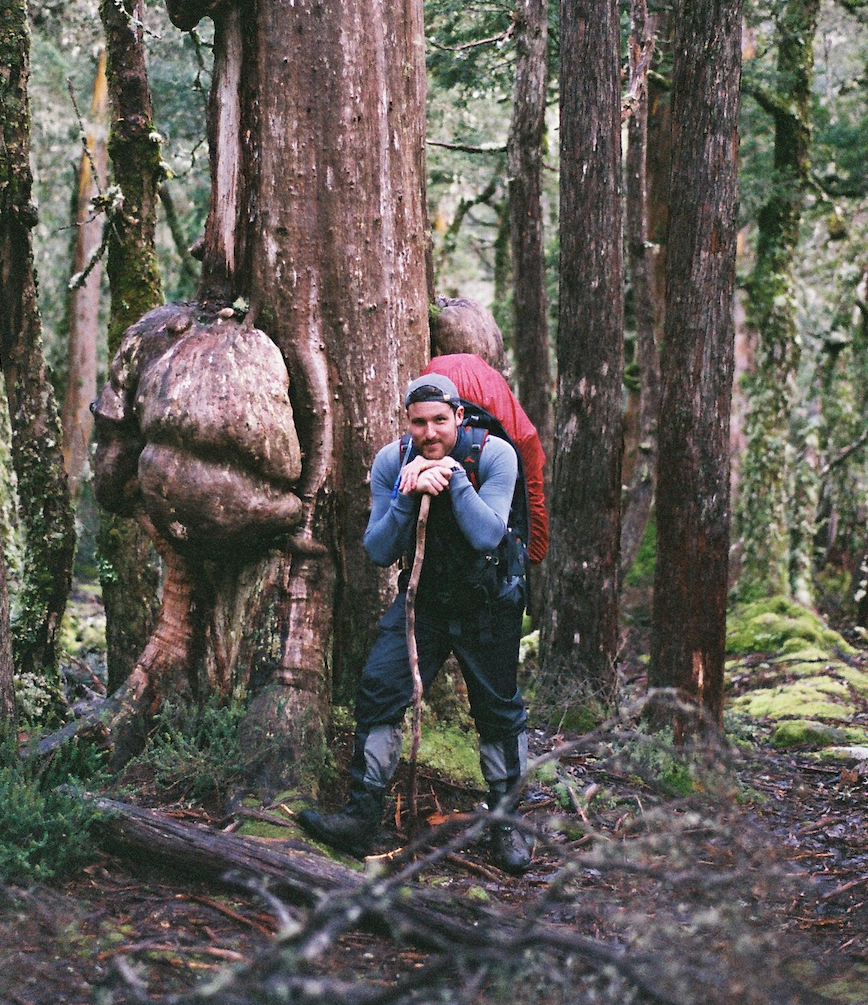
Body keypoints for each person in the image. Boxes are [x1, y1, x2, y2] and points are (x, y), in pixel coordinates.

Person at [298, 371, 532, 874]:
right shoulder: (392, 461)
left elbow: (488, 535)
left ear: (459, 417)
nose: (430, 433)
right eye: (419, 423)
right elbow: (379, 550)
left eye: (440, 422)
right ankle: (362, 814)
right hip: (422, 601)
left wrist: (454, 479)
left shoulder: (495, 454)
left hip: (488, 603)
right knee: (379, 688)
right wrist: (408, 493)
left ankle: (507, 820)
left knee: (497, 710)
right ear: (407, 423)